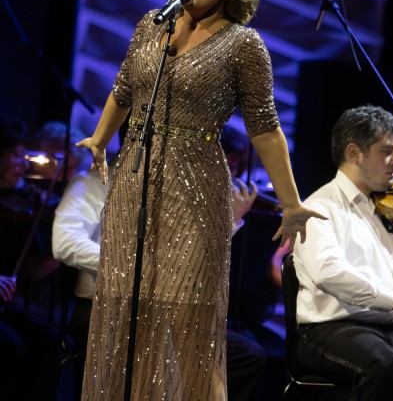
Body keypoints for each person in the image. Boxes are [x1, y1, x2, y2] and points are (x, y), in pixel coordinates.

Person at [76, 0, 325, 400]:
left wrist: (291, 203)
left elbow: (265, 128)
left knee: (187, 319)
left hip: (195, 187)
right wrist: (100, 139)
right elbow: (124, 89)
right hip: (135, 180)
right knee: (128, 310)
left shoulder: (243, 44)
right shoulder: (151, 26)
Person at [52, 122, 267, 401]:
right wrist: (132, 265)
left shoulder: (169, 188)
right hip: (103, 307)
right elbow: (65, 243)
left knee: (245, 355)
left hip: (162, 310)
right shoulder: (94, 181)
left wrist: (229, 220)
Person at [292, 104, 393, 400]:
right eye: (387, 151)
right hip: (328, 329)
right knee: (383, 364)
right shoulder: (319, 208)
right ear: (354, 153)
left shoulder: (388, 207)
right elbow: (328, 272)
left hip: (385, 326)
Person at [0, 115, 61, 401]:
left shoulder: (19, 206)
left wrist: (64, 250)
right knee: (9, 346)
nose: (24, 165)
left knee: (50, 340)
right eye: (16, 155)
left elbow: (34, 270)